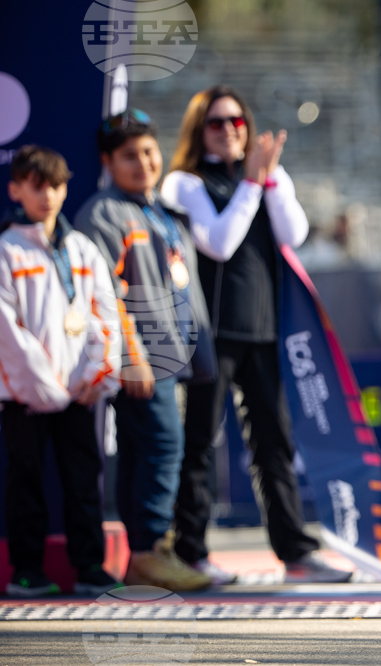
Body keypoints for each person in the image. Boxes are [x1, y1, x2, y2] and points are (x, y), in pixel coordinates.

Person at [161, 85, 350, 584]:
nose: (230, 131)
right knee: (199, 441)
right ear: (199, 130)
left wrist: (268, 182)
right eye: (218, 123)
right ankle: (191, 552)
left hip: (265, 331)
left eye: (237, 122)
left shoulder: (265, 177)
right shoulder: (183, 183)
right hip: (210, 333)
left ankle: (295, 552)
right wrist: (251, 183)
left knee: (274, 443)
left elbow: (295, 234)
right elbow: (218, 243)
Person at [75, 110, 216, 591]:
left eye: (149, 151)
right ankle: (149, 551)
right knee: (161, 446)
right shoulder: (101, 214)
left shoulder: (161, 211)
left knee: (143, 452)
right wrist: (131, 356)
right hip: (142, 359)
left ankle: (145, 553)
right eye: (129, 155)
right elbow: (105, 295)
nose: (143, 162)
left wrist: (201, 356)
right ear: (108, 161)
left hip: (173, 355)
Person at [1, 146, 121, 597]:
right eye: (37, 185)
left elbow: (105, 314)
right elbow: (7, 331)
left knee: (84, 478)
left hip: (81, 391)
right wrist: (44, 388)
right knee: (25, 480)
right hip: (24, 396)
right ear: (16, 190)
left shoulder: (82, 248)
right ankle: (27, 571)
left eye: (55, 184)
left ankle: (90, 565)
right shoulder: (6, 248)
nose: (48, 195)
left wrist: (97, 375)